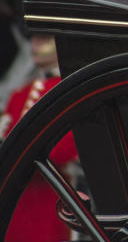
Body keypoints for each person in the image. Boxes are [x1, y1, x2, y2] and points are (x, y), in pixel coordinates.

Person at [0, 36, 77, 242]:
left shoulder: (66, 90)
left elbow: (66, 148)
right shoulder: (20, 94)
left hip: (52, 194)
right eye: (33, 39)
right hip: (17, 201)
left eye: (43, 39)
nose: (35, 44)